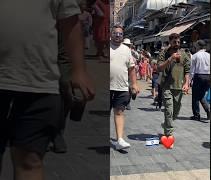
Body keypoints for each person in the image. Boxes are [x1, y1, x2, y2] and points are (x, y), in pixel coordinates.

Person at [0, 1, 95, 179]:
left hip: (39, 81)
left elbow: (70, 22)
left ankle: (58, 133)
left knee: (30, 160)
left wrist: (79, 70)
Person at [157, 33, 191, 148]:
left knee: (175, 113)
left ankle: (167, 124)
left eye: (178, 42)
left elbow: (187, 71)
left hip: (179, 88)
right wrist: (170, 59)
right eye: (174, 42)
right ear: (170, 42)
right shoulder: (163, 53)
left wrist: (187, 83)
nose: (177, 44)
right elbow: (159, 67)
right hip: (166, 87)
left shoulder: (184, 55)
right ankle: (169, 136)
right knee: (168, 111)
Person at [110, 25, 140, 150]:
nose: (118, 35)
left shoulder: (126, 50)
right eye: (115, 33)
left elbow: (132, 68)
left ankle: (120, 140)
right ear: (111, 34)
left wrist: (134, 84)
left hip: (122, 87)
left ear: (123, 36)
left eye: (120, 34)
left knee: (119, 112)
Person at [190, 40, 210, 121]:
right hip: (208, 77)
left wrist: (190, 80)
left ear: (198, 46)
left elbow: (192, 70)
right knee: (201, 95)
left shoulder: (195, 56)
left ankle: (196, 115)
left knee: (195, 96)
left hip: (199, 76)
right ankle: (208, 111)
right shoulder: (209, 55)